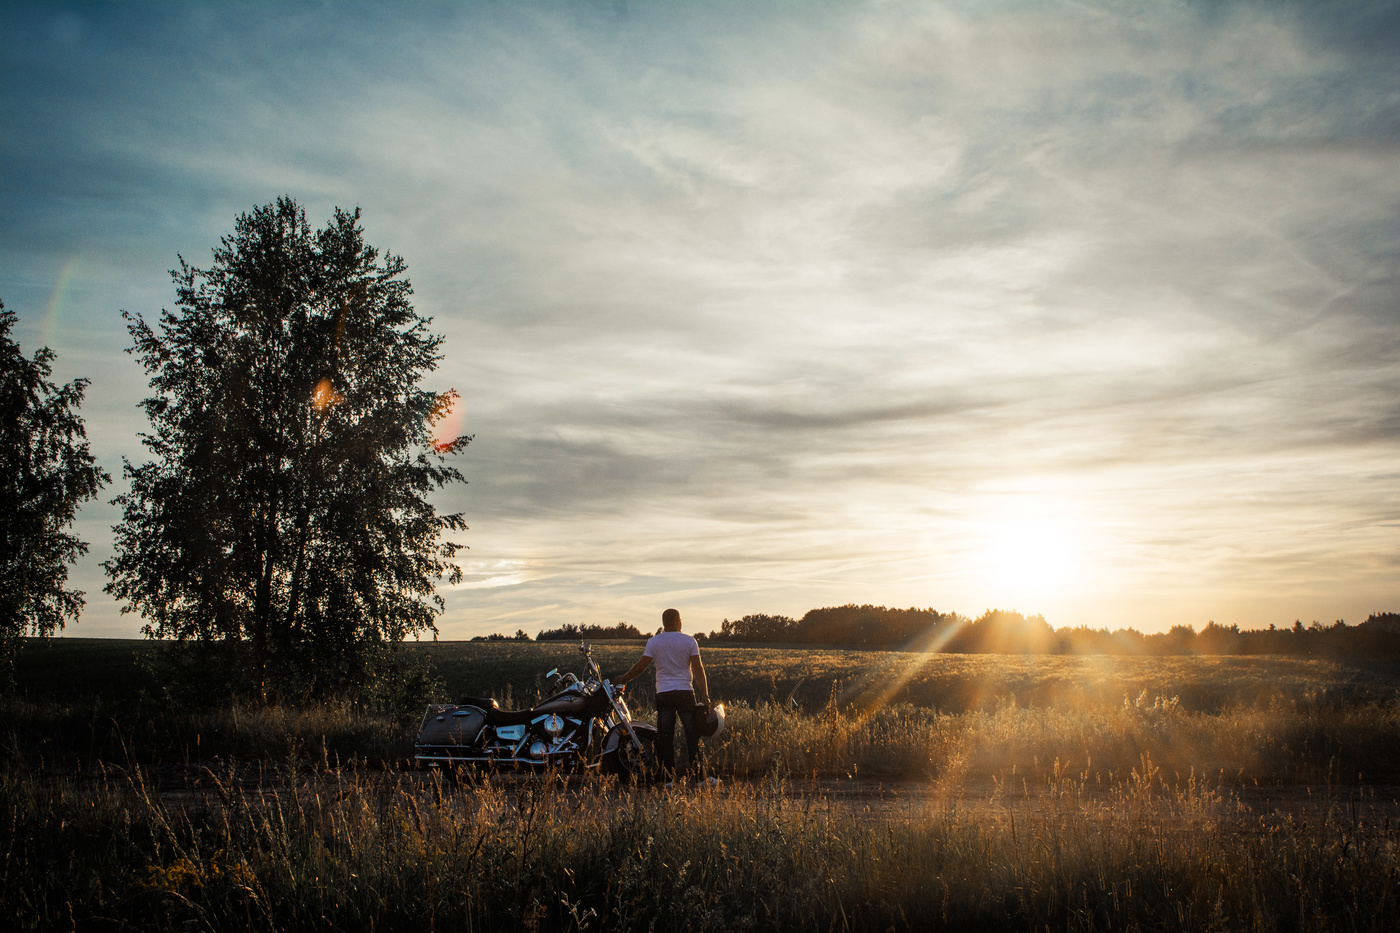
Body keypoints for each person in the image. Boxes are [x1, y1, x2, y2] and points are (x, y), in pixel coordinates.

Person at [615, 608, 717, 785]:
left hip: (663, 693)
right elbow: (699, 669)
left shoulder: (654, 642)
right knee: (692, 734)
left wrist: (623, 678)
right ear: (679, 621)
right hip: (685, 692)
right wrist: (705, 695)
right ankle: (701, 778)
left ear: (664, 622)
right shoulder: (689, 641)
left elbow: (641, 667)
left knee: (665, 737)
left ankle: (667, 779)